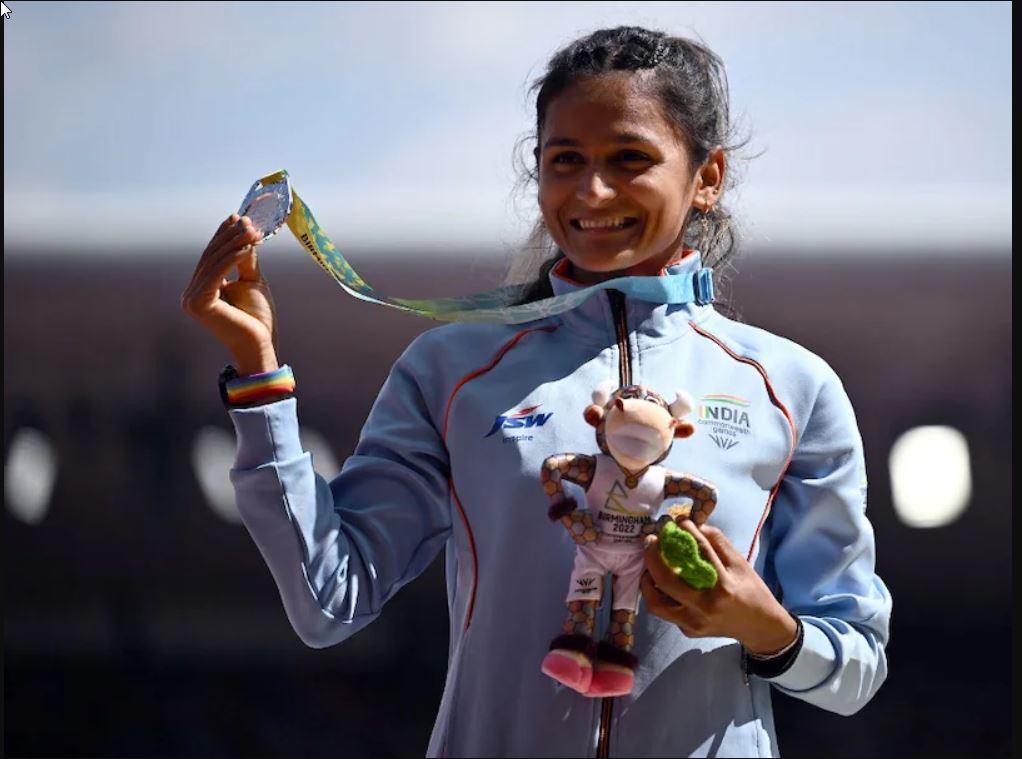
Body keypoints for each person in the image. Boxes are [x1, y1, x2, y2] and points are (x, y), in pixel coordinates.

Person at [182, 25, 891, 758]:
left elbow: (857, 665)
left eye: (629, 159)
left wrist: (764, 625)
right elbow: (328, 599)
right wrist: (259, 374)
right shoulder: (451, 372)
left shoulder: (791, 389)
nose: (592, 191)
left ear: (706, 177)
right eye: (566, 161)